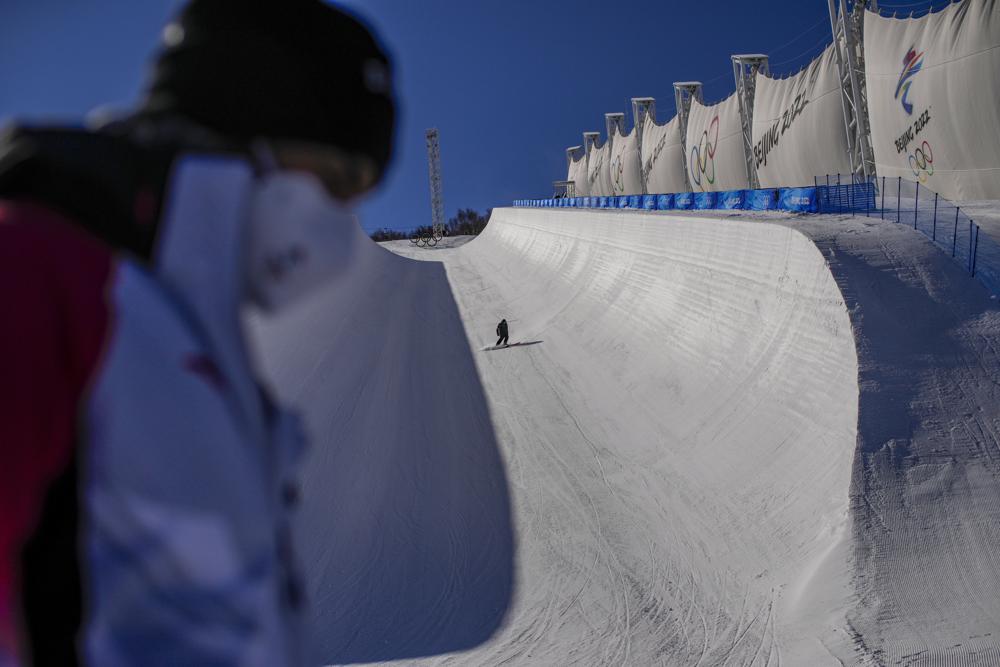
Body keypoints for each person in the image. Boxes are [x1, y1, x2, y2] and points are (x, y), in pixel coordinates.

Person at [0, 1, 395, 665]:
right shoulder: (38, 270)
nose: (341, 220)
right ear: (255, 135)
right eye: (336, 180)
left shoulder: (198, 345)